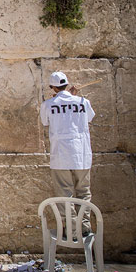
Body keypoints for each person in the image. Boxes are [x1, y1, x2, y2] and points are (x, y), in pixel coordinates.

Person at [40, 71, 96, 236]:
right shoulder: (83, 102)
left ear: (52, 87)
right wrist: (74, 97)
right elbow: (89, 118)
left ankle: (71, 229)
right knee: (84, 192)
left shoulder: (48, 104)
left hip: (61, 156)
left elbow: (45, 121)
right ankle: (84, 228)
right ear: (67, 84)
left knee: (65, 193)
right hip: (82, 154)